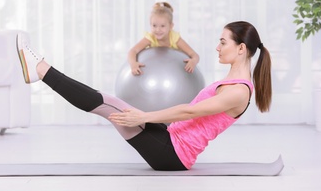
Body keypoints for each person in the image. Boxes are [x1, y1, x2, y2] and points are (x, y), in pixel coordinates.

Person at [16, 21, 271, 171]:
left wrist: (145, 116)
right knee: (109, 104)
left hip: (172, 155)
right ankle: (41, 70)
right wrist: (149, 120)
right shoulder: (232, 82)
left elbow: (190, 111)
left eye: (223, 42)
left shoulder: (239, 91)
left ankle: (41, 70)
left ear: (241, 48)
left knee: (108, 105)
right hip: (170, 138)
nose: (217, 46)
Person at [128, 2, 200, 75]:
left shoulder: (175, 38)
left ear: (171, 26)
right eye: (154, 25)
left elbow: (194, 55)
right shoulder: (150, 37)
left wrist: (193, 61)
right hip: (154, 72)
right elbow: (133, 51)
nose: (158, 30)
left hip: (174, 72)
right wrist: (133, 64)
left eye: (162, 26)